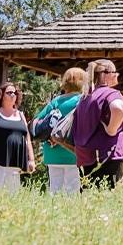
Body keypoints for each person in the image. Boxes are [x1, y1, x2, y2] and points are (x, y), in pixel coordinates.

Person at [72, 60, 123, 189]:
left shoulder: (85, 98)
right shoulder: (111, 93)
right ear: (105, 75)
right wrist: (111, 130)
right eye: (115, 73)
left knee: (90, 193)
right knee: (107, 195)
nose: (117, 75)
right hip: (108, 154)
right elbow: (119, 108)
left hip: (86, 155)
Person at [34, 67, 84, 195]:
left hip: (52, 152)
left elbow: (38, 122)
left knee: (55, 190)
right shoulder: (82, 100)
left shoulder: (55, 101)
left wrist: (51, 137)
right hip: (72, 151)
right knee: (72, 192)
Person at [0, 81, 35, 192]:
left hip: (14, 166)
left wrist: (31, 159)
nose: (13, 95)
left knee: (10, 200)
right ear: (2, 95)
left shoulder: (20, 115)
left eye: (15, 93)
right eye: (9, 92)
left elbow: (27, 138)